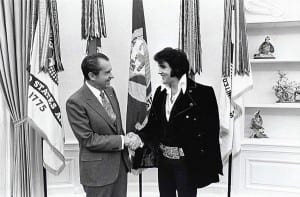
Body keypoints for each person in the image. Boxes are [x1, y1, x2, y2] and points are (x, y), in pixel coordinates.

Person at [129, 47, 223, 197]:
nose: (159, 71)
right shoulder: (160, 93)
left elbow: (211, 132)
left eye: (163, 67)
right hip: (164, 162)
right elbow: (153, 126)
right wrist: (138, 136)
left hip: (188, 164)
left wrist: (207, 165)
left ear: (177, 68)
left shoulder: (203, 94)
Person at [66, 53, 138, 197]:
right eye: (107, 72)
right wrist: (123, 141)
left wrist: (127, 136)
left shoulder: (110, 92)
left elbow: (116, 128)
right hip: (97, 174)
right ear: (92, 75)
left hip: (120, 169)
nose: (112, 76)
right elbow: (88, 139)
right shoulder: (75, 102)